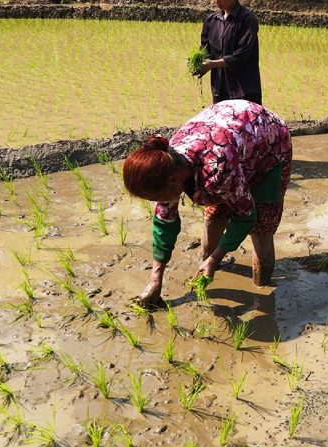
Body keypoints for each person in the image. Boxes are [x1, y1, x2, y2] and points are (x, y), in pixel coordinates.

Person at [123, 100, 292, 308]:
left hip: (268, 142)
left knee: (261, 230)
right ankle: (207, 275)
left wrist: (215, 258)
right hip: (230, 137)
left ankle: (263, 293)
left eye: (154, 197)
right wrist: (155, 279)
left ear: (174, 181)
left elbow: (246, 215)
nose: (157, 202)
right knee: (213, 219)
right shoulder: (167, 164)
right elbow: (164, 224)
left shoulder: (217, 171)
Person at [197, 0, 262, 105]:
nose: (216, 1)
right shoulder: (211, 20)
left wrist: (212, 64)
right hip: (219, 89)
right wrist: (198, 62)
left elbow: (242, 54)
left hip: (244, 90)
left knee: (243, 126)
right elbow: (205, 49)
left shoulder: (247, 20)